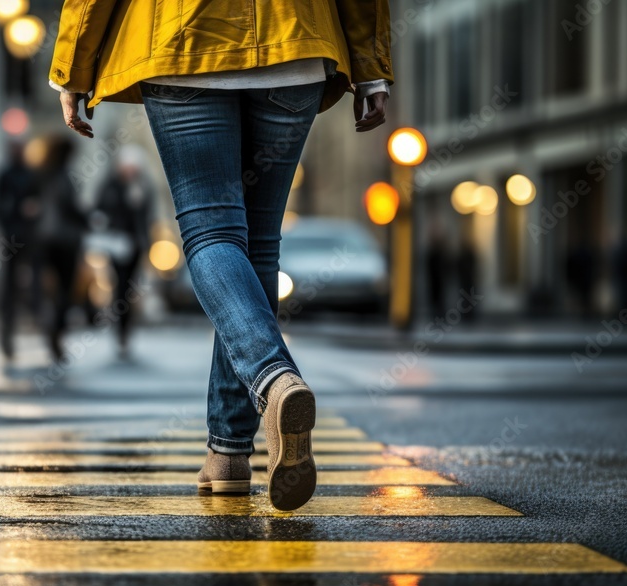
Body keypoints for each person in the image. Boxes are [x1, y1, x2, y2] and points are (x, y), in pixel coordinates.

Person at [50, 1, 393, 510]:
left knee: (211, 234)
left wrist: (71, 68)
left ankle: (273, 379)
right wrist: (371, 68)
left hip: (182, 40)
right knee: (257, 249)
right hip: (294, 42)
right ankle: (228, 452)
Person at [96, 145, 155, 358]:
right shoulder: (110, 186)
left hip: (136, 245)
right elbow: (100, 209)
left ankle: (126, 331)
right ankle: (120, 330)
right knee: (119, 287)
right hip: (116, 244)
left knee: (130, 288)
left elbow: (147, 216)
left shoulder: (142, 186)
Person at [37, 136, 88, 362]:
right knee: (64, 292)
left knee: (48, 290)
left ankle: (52, 330)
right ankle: (56, 333)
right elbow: (71, 209)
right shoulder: (64, 177)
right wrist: (89, 219)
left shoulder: (42, 175)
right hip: (65, 241)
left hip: (45, 240)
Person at [0, 140, 40, 361]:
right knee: (9, 289)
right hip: (12, 238)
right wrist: (6, 225)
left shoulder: (31, 175)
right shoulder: (4, 175)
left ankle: (41, 328)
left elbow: (40, 202)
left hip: (29, 237)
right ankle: (7, 336)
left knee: (33, 284)